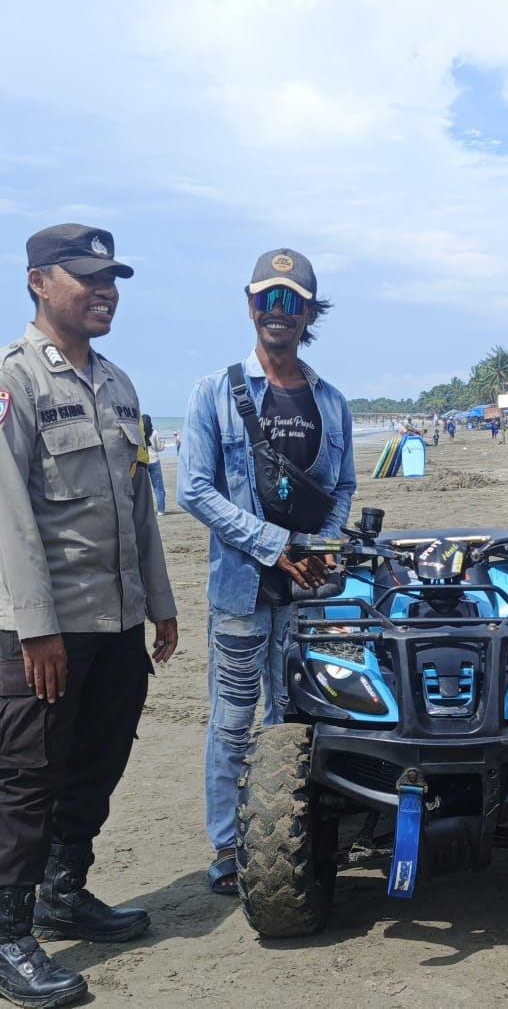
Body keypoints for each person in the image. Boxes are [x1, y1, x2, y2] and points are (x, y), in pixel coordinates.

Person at [0, 223, 179, 1008]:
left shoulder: (118, 385)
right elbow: (9, 518)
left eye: (111, 279)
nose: (105, 292)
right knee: (26, 781)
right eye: (88, 277)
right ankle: (4, 945)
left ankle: (64, 890)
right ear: (38, 282)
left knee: (97, 764)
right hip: (48, 630)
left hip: (117, 622)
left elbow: (140, 507)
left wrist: (160, 603)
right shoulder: (5, 382)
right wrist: (37, 630)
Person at [178, 247, 355, 897]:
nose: (278, 311)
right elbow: (193, 489)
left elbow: (342, 487)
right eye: (267, 298)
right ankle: (228, 847)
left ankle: (288, 832)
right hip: (241, 588)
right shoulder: (213, 393)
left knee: (294, 715)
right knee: (232, 719)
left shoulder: (330, 402)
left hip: (305, 593)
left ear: (309, 313)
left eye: (292, 301)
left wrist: (321, 549)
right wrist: (274, 545)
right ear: (250, 307)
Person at [140, 413, 167, 515]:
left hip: (143, 461)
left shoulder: (139, 432)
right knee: (158, 488)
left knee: (145, 488)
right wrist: (163, 444)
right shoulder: (154, 432)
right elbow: (158, 448)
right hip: (154, 461)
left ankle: (147, 511)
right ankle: (161, 510)